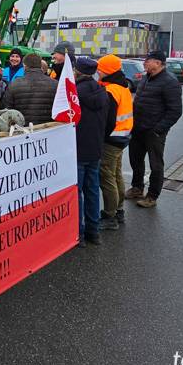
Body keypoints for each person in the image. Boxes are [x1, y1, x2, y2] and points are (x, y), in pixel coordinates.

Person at [126, 50, 183, 208]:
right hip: (138, 129)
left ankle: (152, 196)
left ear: (158, 63)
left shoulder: (169, 82)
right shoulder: (146, 78)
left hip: (154, 132)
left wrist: (158, 129)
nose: (144, 63)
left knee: (156, 165)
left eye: (148, 60)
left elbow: (175, 111)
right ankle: (137, 188)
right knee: (135, 160)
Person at [73, 57, 112, 246]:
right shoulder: (103, 91)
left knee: (77, 192)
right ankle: (93, 231)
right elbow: (110, 121)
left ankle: (78, 234)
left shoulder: (75, 92)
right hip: (95, 147)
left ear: (78, 71)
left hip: (78, 148)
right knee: (92, 190)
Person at [96, 54, 133, 230]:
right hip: (122, 137)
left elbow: (107, 120)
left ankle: (110, 216)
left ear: (107, 70)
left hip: (111, 139)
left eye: (100, 68)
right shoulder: (122, 86)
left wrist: (99, 137)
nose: (98, 71)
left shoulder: (111, 91)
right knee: (116, 174)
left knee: (106, 176)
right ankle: (118, 210)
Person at [3, 54, 57, 125]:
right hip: (47, 129)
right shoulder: (55, 84)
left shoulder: (14, 84)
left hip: (23, 130)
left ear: (24, 66)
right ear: (40, 65)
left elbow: (7, 110)